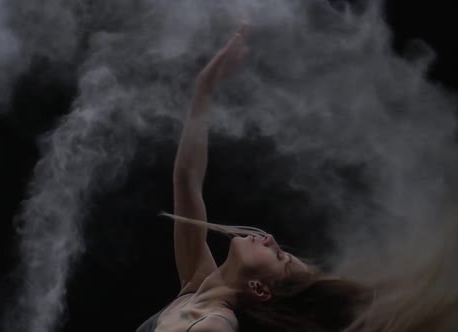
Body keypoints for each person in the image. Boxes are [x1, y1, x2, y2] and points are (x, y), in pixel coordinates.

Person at [136, 23, 368, 332]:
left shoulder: (216, 324)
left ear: (259, 289)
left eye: (280, 257)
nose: (272, 241)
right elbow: (187, 179)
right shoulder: (194, 285)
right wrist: (205, 89)